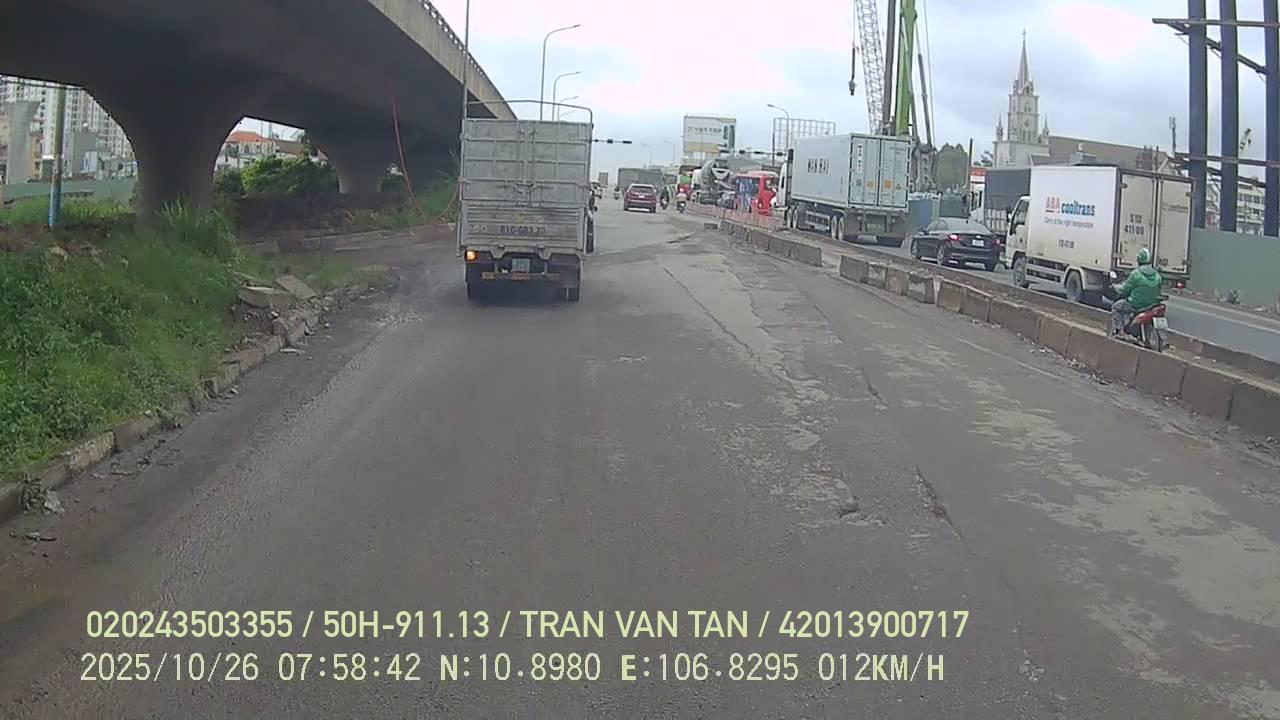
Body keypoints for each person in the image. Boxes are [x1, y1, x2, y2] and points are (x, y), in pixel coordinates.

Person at [1110, 247, 1163, 336]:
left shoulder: (1136, 274)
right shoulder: (1157, 276)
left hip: (1136, 304)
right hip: (1152, 305)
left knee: (1116, 307)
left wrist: (1116, 287)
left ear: (1139, 260)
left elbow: (1124, 290)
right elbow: (1159, 291)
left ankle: (1118, 331)